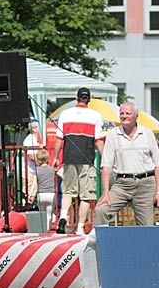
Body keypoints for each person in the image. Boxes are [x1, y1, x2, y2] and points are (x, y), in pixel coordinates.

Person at [94, 102, 159, 227]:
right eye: (122, 113)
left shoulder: (147, 133)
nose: (124, 116)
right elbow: (106, 166)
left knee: (146, 227)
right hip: (122, 184)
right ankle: (101, 239)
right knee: (101, 210)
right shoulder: (112, 134)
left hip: (146, 184)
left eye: (128, 113)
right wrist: (105, 193)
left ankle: (144, 240)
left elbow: (158, 165)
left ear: (136, 116)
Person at [52, 87, 105, 234]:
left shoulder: (65, 114)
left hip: (69, 158)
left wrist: (56, 157)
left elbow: (59, 139)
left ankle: (63, 216)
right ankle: (80, 227)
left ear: (77, 98)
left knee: (68, 191)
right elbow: (99, 141)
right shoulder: (96, 115)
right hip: (87, 159)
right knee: (86, 195)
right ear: (89, 99)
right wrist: (105, 160)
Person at [35, 149, 56, 232]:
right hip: (50, 194)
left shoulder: (37, 170)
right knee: (49, 214)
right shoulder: (52, 169)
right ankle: (47, 229)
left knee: (42, 214)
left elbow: (34, 184)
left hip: (41, 194)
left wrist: (32, 195)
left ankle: (42, 229)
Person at [22, 120, 42, 205]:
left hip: (34, 169)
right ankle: (26, 205)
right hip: (29, 170)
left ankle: (29, 203)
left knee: (33, 189)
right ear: (34, 129)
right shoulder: (29, 139)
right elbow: (31, 154)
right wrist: (41, 163)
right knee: (28, 189)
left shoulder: (37, 139)